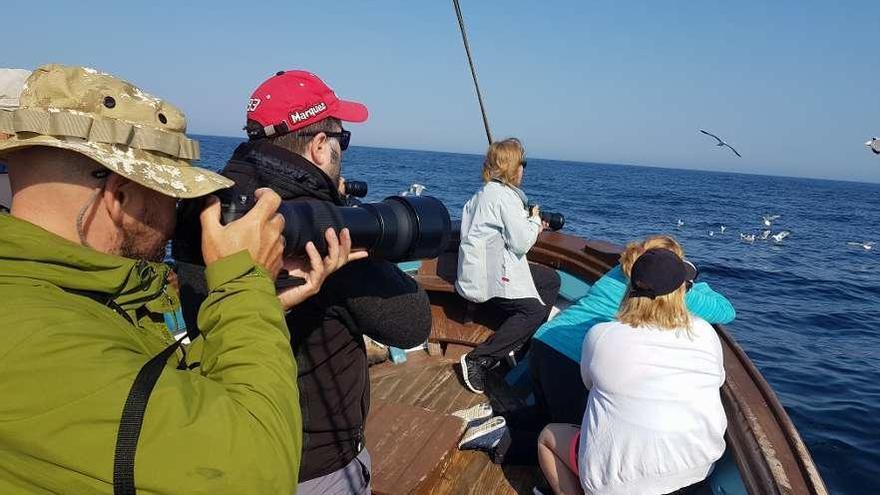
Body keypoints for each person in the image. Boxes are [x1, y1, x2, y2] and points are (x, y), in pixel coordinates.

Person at [0, 64, 357, 494]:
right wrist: (243, 287)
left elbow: (156, 389)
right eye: (173, 195)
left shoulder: (66, 294)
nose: (176, 216)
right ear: (119, 197)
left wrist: (263, 303)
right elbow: (254, 472)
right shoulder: (35, 336)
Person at [176, 69, 432, 495]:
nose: (341, 151)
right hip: (313, 464)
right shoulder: (315, 226)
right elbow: (410, 324)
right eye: (341, 141)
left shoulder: (215, 205)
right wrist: (340, 210)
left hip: (226, 446)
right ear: (318, 146)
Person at [537, 247, 727, 495]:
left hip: (614, 486)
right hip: (698, 470)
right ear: (682, 292)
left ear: (630, 288)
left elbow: (589, 384)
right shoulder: (704, 332)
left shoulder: (602, 334)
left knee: (548, 436)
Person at [530, 235, 735, 425]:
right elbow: (725, 311)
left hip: (545, 340)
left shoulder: (621, 270)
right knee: (569, 428)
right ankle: (504, 444)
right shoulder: (666, 290)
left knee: (543, 417)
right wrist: (691, 281)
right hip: (571, 359)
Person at [456, 138, 561, 394]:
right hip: (487, 278)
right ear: (513, 167)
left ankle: (519, 340)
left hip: (475, 270)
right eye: (522, 163)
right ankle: (479, 360)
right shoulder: (505, 197)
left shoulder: (483, 194)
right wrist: (535, 222)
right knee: (533, 311)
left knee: (550, 280)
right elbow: (521, 243)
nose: (524, 169)